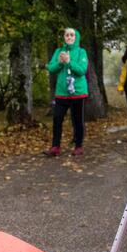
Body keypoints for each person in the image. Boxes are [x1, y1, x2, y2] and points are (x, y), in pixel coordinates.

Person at [43, 28, 89, 157]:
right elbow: (51, 68)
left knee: (77, 120)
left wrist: (69, 62)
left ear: (76, 37)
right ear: (64, 37)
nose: (69, 37)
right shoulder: (58, 51)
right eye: (67, 35)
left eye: (72, 35)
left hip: (78, 92)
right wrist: (60, 62)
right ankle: (55, 147)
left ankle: (78, 146)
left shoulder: (81, 52)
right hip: (62, 92)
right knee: (57, 118)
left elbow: (82, 70)